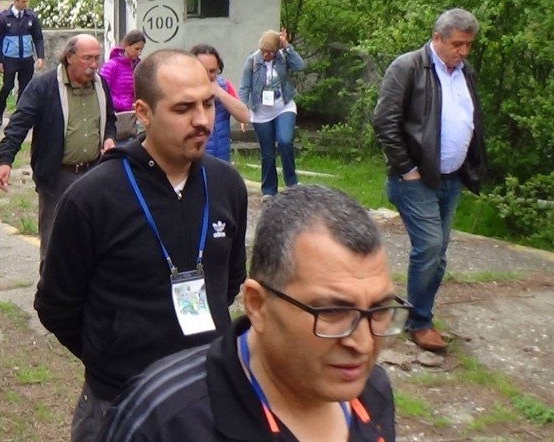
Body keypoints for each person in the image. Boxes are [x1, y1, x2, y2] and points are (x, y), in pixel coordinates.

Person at [35, 49, 248, 441]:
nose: (202, 120)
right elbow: (56, 305)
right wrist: (111, 356)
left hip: (208, 398)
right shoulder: (93, 197)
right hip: (118, 402)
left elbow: (229, 282)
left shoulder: (227, 185)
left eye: (208, 103)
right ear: (143, 113)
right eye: (183, 108)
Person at [98, 185, 403, 442]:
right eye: (333, 311)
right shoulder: (164, 422)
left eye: (378, 310)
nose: (362, 344)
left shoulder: (371, 389)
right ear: (257, 304)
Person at [372, 8, 485, 353]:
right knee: (431, 246)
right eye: (457, 44)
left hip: (451, 178)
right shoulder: (408, 67)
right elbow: (384, 121)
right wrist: (407, 168)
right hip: (414, 179)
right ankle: (419, 321)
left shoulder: (466, 73)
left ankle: (421, 314)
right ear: (437, 38)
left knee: (439, 252)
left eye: (468, 45)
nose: (463, 51)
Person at [0, 34, 116, 263]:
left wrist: (109, 138)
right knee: (55, 245)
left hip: (95, 174)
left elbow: (109, 120)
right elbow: (19, 125)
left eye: (97, 58)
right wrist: (6, 161)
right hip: (58, 177)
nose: (94, 64)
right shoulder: (44, 86)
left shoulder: (101, 85)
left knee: (95, 240)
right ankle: (50, 296)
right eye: (88, 58)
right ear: (69, 57)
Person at [239, 28, 306, 199]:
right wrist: (243, 111)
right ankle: (269, 190)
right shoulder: (252, 61)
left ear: (276, 50)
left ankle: (292, 182)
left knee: (285, 141)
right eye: (264, 51)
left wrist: (287, 46)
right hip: (261, 112)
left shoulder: (283, 57)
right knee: (267, 152)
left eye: (270, 51)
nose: (266, 54)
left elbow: (300, 66)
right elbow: (244, 88)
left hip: (284, 106)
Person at [191, 44, 251, 162]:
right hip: (194, 159)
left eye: (212, 71)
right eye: (203, 70)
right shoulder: (182, 88)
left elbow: (245, 116)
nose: (208, 75)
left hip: (221, 158)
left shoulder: (224, 86)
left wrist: (221, 94)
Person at [0, 0, 45, 126]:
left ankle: (19, 117)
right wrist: (0, 60)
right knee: (8, 86)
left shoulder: (31, 16)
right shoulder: (4, 17)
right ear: (15, 1)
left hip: (27, 58)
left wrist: (40, 56)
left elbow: (38, 38)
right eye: (23, 1)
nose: (25, 4)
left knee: (25, 89)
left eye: (27, 1)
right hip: (10, 58)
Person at [100, 30, 146, 114]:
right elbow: (103, 90)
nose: (139, 53)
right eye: (136, 49)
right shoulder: (111, 65)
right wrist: (122, 105)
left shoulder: (139, 66)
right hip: (115, 113)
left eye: (141, 49)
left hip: (134, 112)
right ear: (126, 46)